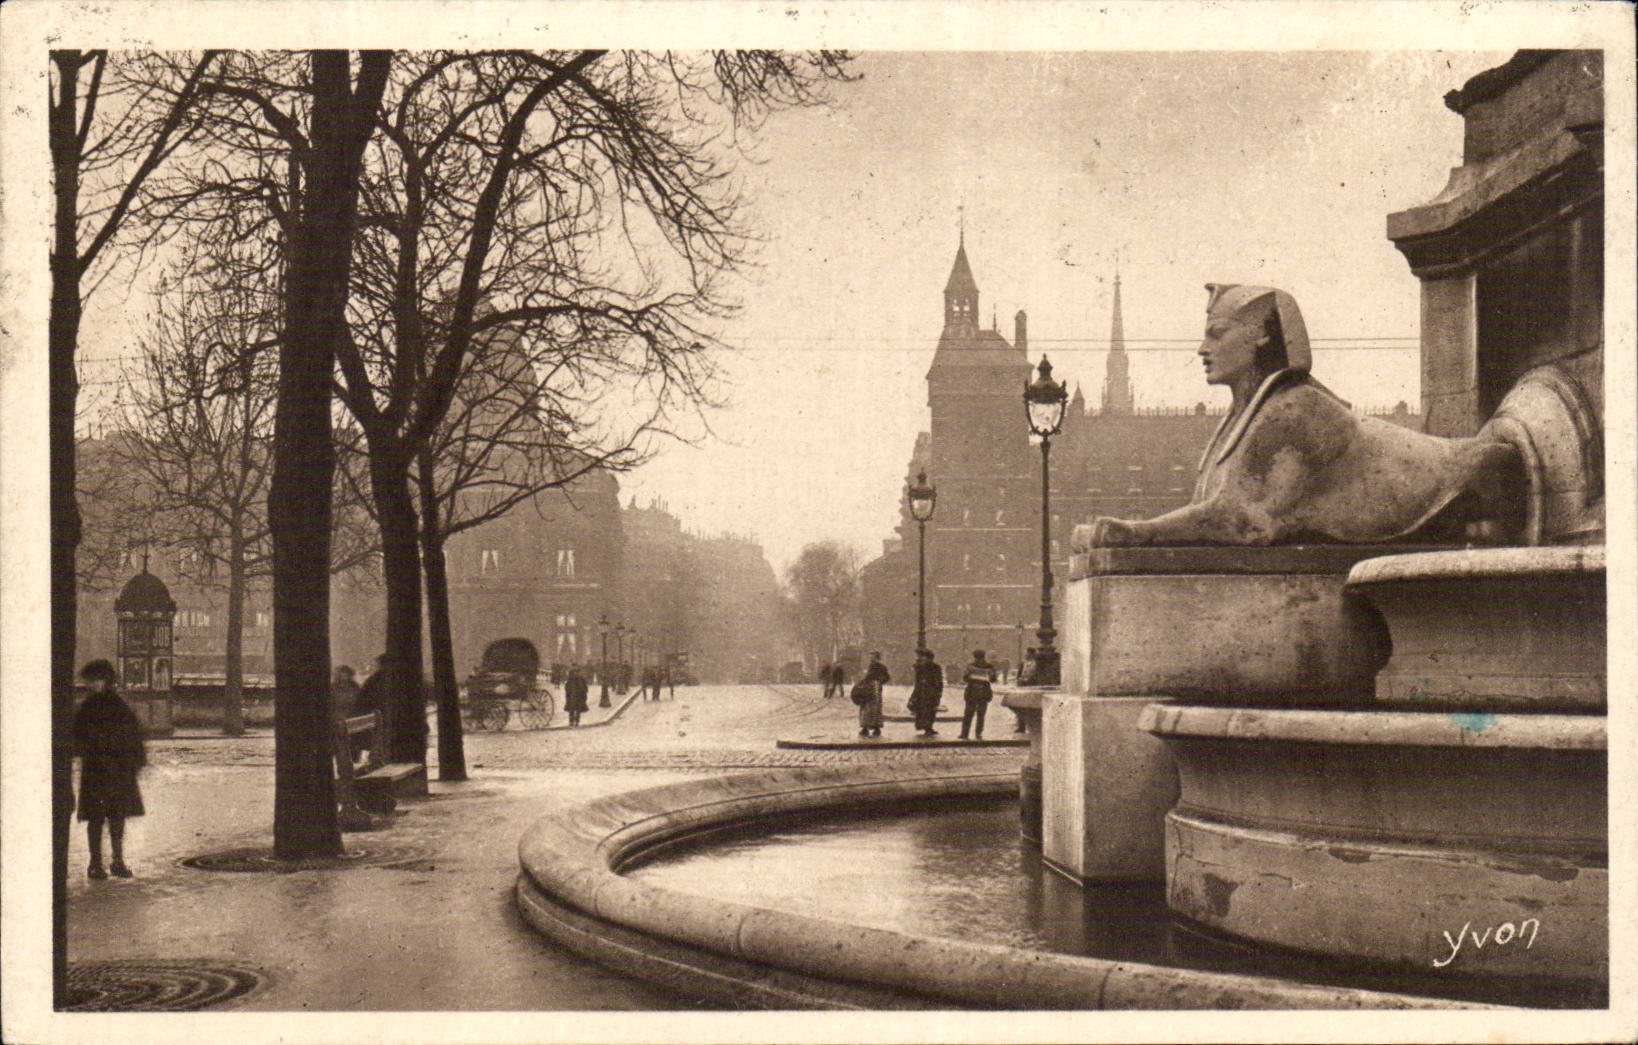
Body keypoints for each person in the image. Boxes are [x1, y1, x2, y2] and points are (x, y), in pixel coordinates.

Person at [1086, 283, 1519, 548]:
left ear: (1262, 337)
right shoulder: (1248, 416)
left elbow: (1245, 522)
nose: (1202, 349)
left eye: (1218, 334)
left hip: (1470, 480)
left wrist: (1138, 534)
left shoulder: (1298, 410)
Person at [72, 659, 145, 879]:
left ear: (105, 681)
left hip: (111, 770)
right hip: (102, 770)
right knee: (99, 818)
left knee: (114, 818)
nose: (91, 685)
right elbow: (79, 737)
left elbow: (131, 736)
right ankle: (97, 863)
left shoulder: (112, 705)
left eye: (95, 680)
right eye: (91, 681)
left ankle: (115, 861)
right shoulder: (95, 706)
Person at [959, 650, 996, 741]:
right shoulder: (990, 667)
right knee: (981, 714)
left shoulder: (970, 666)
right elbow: (993, 679)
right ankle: (978, 733)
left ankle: (965, 733)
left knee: (968, 714)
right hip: (984, 691)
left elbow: (965, 678)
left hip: (972, 691)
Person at [907, 648, 944, 738]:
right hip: (924, 691)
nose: (923, 659)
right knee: (926, 710)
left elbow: (938, 681)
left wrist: (939, 691)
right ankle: (927, 727)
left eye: (924, 657)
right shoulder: (924, 667)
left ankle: (928, 727)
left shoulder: (932, 667)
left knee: (930, 710)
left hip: (929, 691)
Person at [853, 650, 890, 738]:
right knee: (875, 709)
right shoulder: (880, 666)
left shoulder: (874, 666)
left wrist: (875, 682)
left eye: (872, 656)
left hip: (871, 689)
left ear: (876, 657)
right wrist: (880, 682)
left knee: (867, 708)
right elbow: (887, 677)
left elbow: (870, 677)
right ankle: (876, 728)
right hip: (875, 689)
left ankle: (866, 728)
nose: (870, 658)